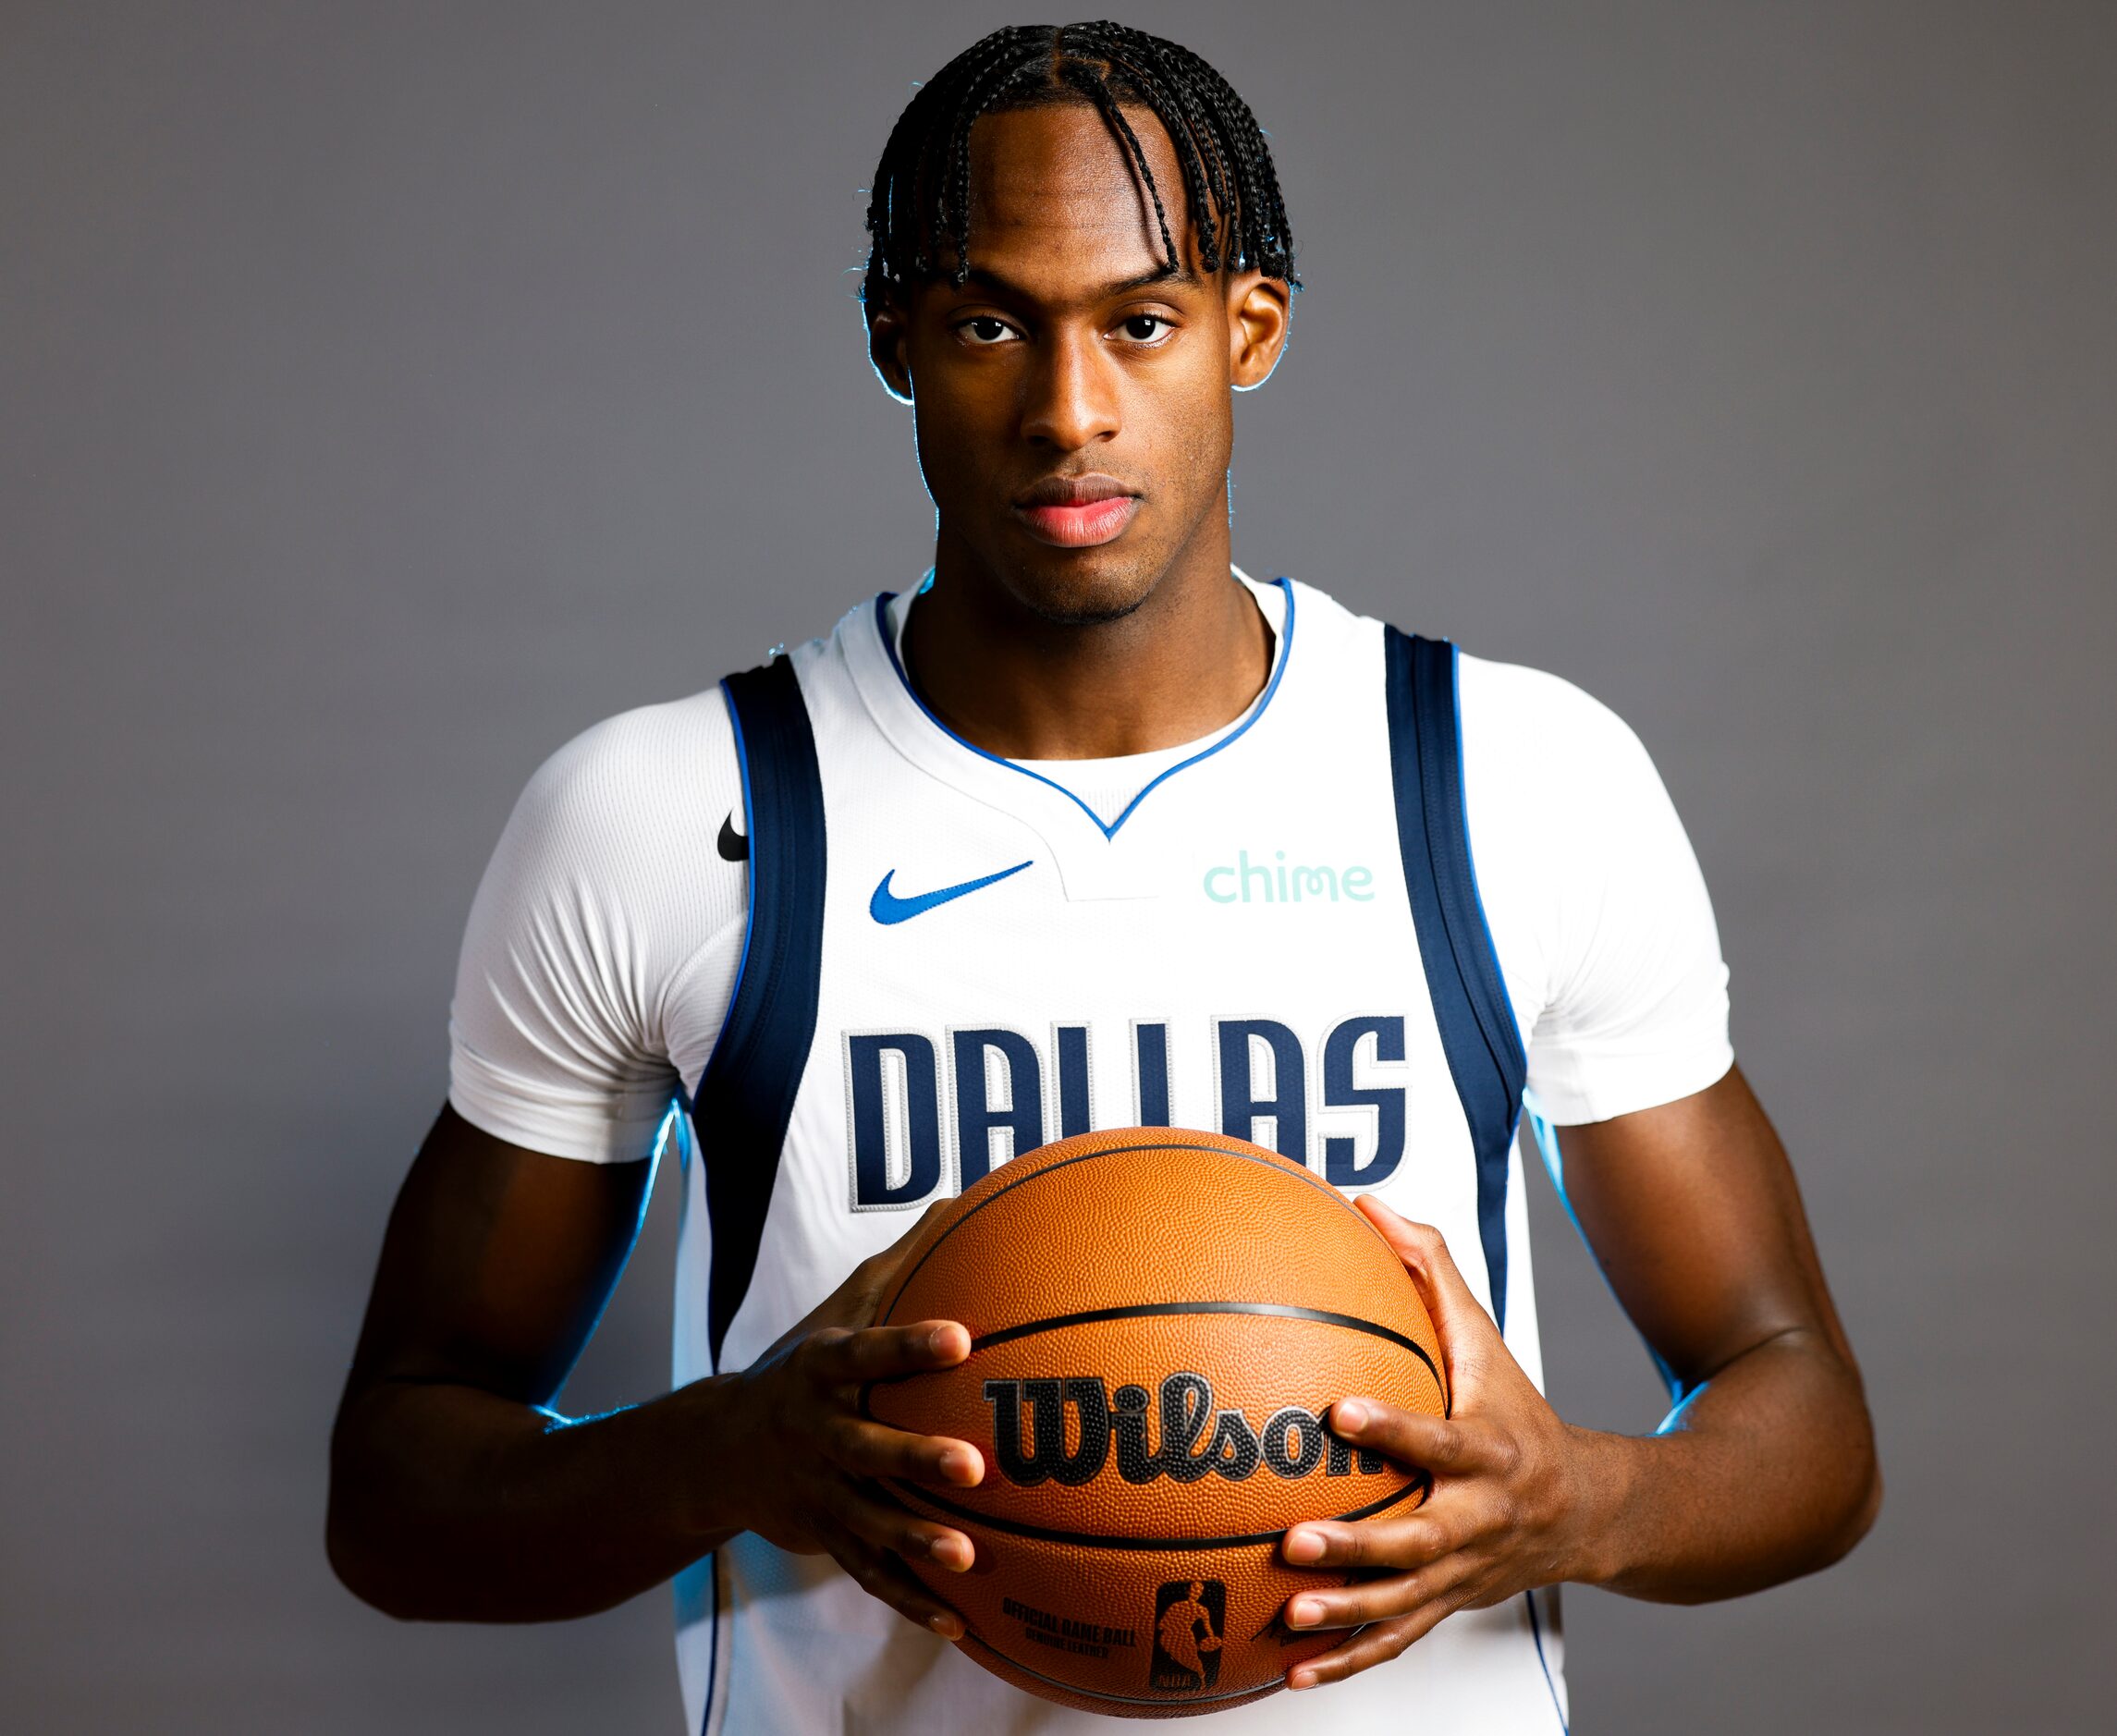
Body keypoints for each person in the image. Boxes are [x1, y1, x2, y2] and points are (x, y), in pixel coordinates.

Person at [327, 21, 1879, 1733]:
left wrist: (1576, 1498)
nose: (1069, 412)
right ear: (894, 341)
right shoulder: (672, 809)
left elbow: (1802, 1420)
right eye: (991, 323)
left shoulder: (1508, 778)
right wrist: (737, 1446)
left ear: (1248, 331)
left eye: (1140, 322)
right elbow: (401, 1492)